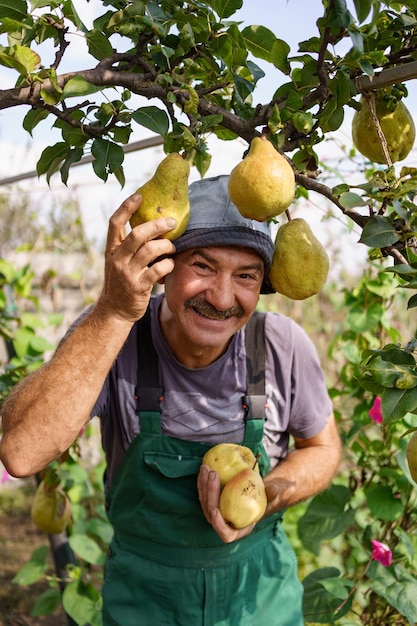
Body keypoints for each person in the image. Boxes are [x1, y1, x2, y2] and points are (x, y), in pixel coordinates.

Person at [0, 174, 342, 625]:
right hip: (147, 603)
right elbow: (21, 453)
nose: (222, 298)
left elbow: (323, 448)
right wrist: (114, 310)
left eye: (246, 276)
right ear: (165, 266)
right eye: (202, 266)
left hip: (259, 599)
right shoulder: (113, 337)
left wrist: (269, 494)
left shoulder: (281, 344)